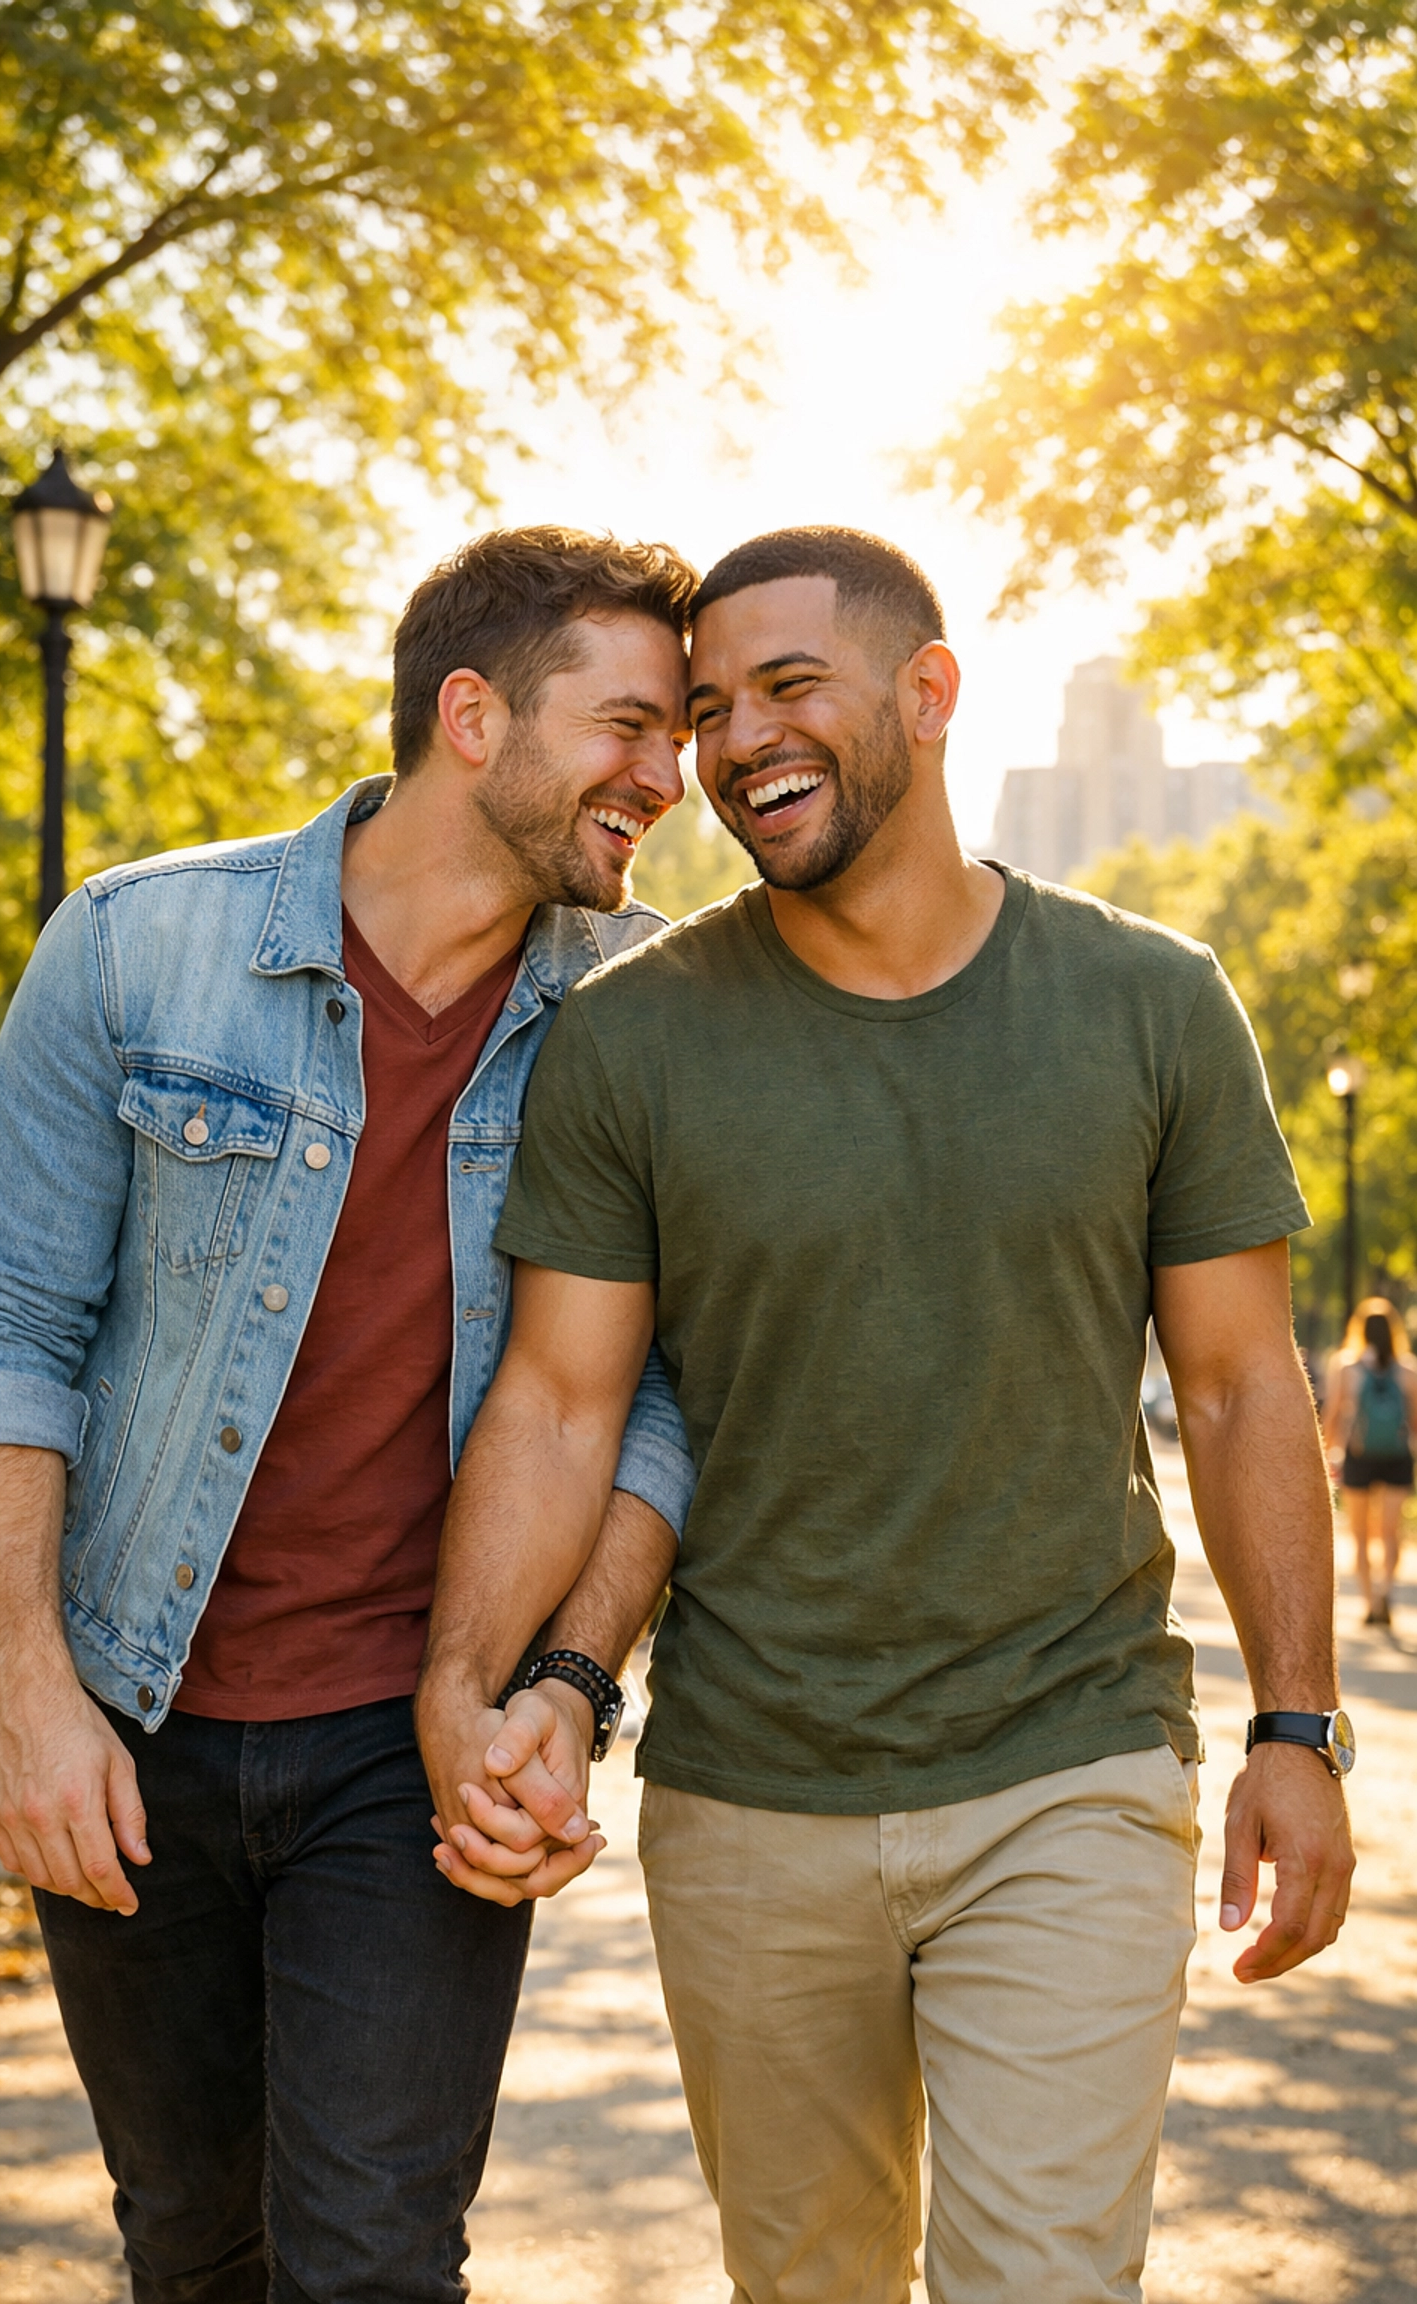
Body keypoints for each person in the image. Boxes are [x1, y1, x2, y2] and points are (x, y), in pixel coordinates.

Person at [416, 527, 1357, 2304]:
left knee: (1045, 2277)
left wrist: (1295, 1724)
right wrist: (472, 1683)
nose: (738, 738)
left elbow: (1239, 1385)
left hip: (1067, 1762)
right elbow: (557, 1402)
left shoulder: (1152, 1001)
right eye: (705, 710)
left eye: (788, 686)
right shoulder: (634, 1036)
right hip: (750, 1789)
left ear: (925, 692)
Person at [0, 527, 701, 2304]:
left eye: (680, 730)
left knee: (373, 2264)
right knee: (190, 2241)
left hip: (407, 1741)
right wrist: (25, 1696)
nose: (671, 770)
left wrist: (559, 1683)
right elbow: (5, 1324)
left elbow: (651, 1400)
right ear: (472, 714)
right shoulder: (138, 943)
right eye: (632, 722)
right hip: (133, 1711)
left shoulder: (654, 1018)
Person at [1323, 1296, 1416, 1626]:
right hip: (1397, 1458)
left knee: (1361, 1535)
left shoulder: (1347, 1368)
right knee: (1391, 1532)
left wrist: (1326, 1454)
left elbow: (1333, 1416)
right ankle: (1384, 1592)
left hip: (1359, 1457)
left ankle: (1368, 1602)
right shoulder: (1407, 1370)